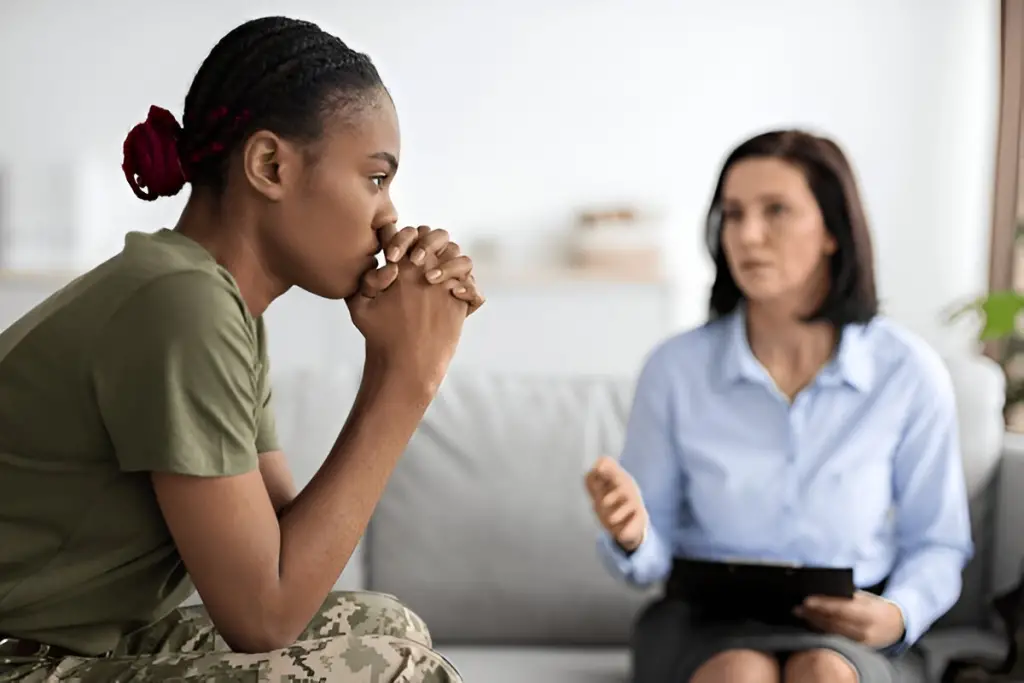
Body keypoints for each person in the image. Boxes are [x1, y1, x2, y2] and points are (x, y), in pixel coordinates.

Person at [0, 16, 484, 683]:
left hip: (67, 647)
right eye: (375, 178)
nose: (389, 217)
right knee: (393, 666)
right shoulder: (180, 306)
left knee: (387, 625)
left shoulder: (219, 306)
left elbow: (286, 552)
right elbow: (263, 612)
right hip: (18, 655)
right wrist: (409, 379)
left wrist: (391, 362)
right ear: (269, 165)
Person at [584, 130, 973, 683]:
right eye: (733, 214)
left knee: (825, 673)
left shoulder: (907, 373)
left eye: (776, 211)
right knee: (740, 673)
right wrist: (633, 534)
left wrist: (899, 613)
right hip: (702, 622)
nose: (747, 235)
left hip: (846, 629)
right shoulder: (674, 369)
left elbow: (939, 541)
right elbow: (651, 555)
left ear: (833, 232)